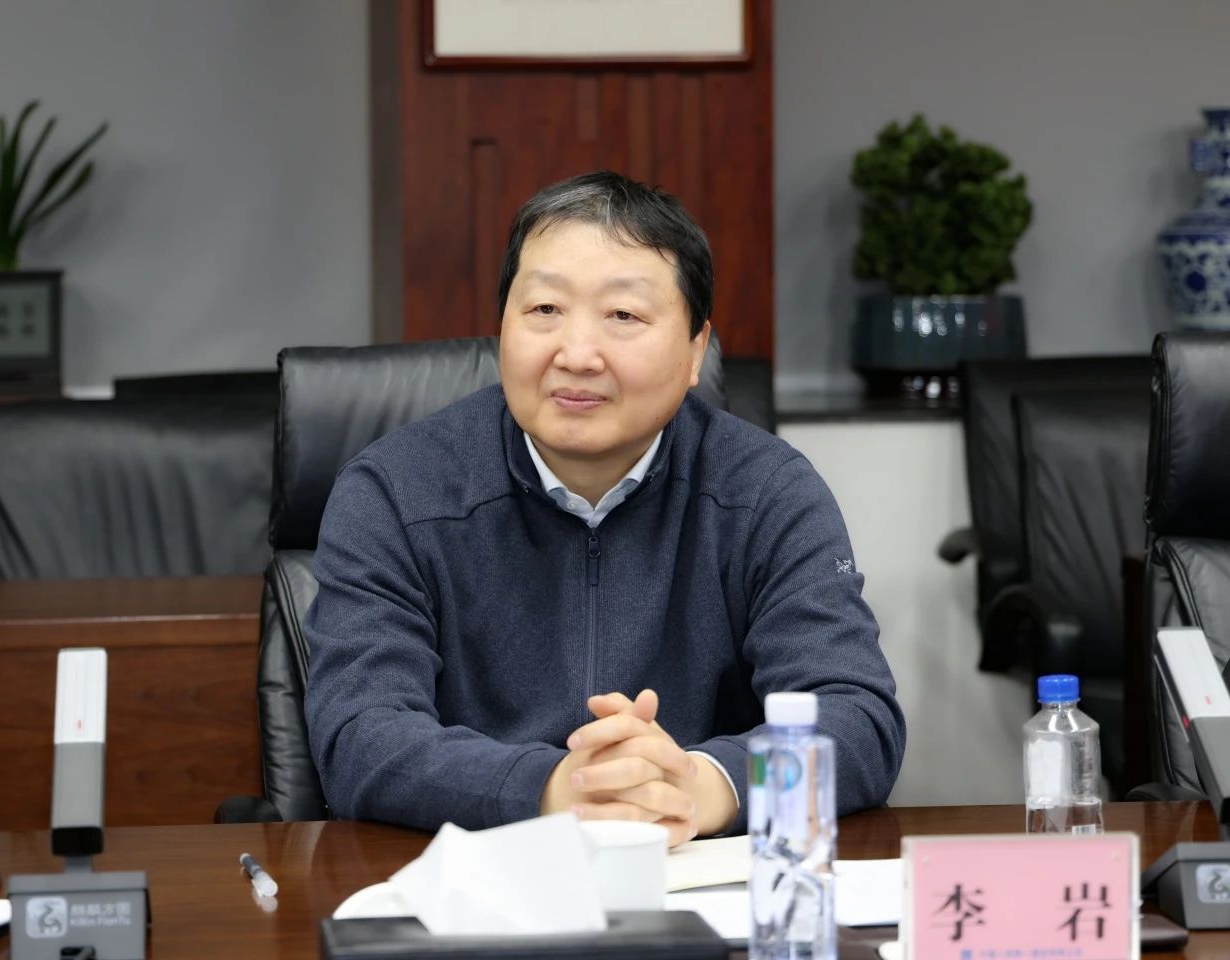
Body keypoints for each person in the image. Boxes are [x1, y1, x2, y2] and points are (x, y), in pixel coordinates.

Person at [304, 171, 905, 846]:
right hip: (475, 877)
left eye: (623, 316)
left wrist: (704, 785)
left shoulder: (768, 492)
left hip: (695, 879)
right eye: (544, 310)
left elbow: (856, 717)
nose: (577, 354)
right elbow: (360, 733)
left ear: (695, 351)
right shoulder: (395, 491)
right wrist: (553, 789)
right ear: (501, 328)